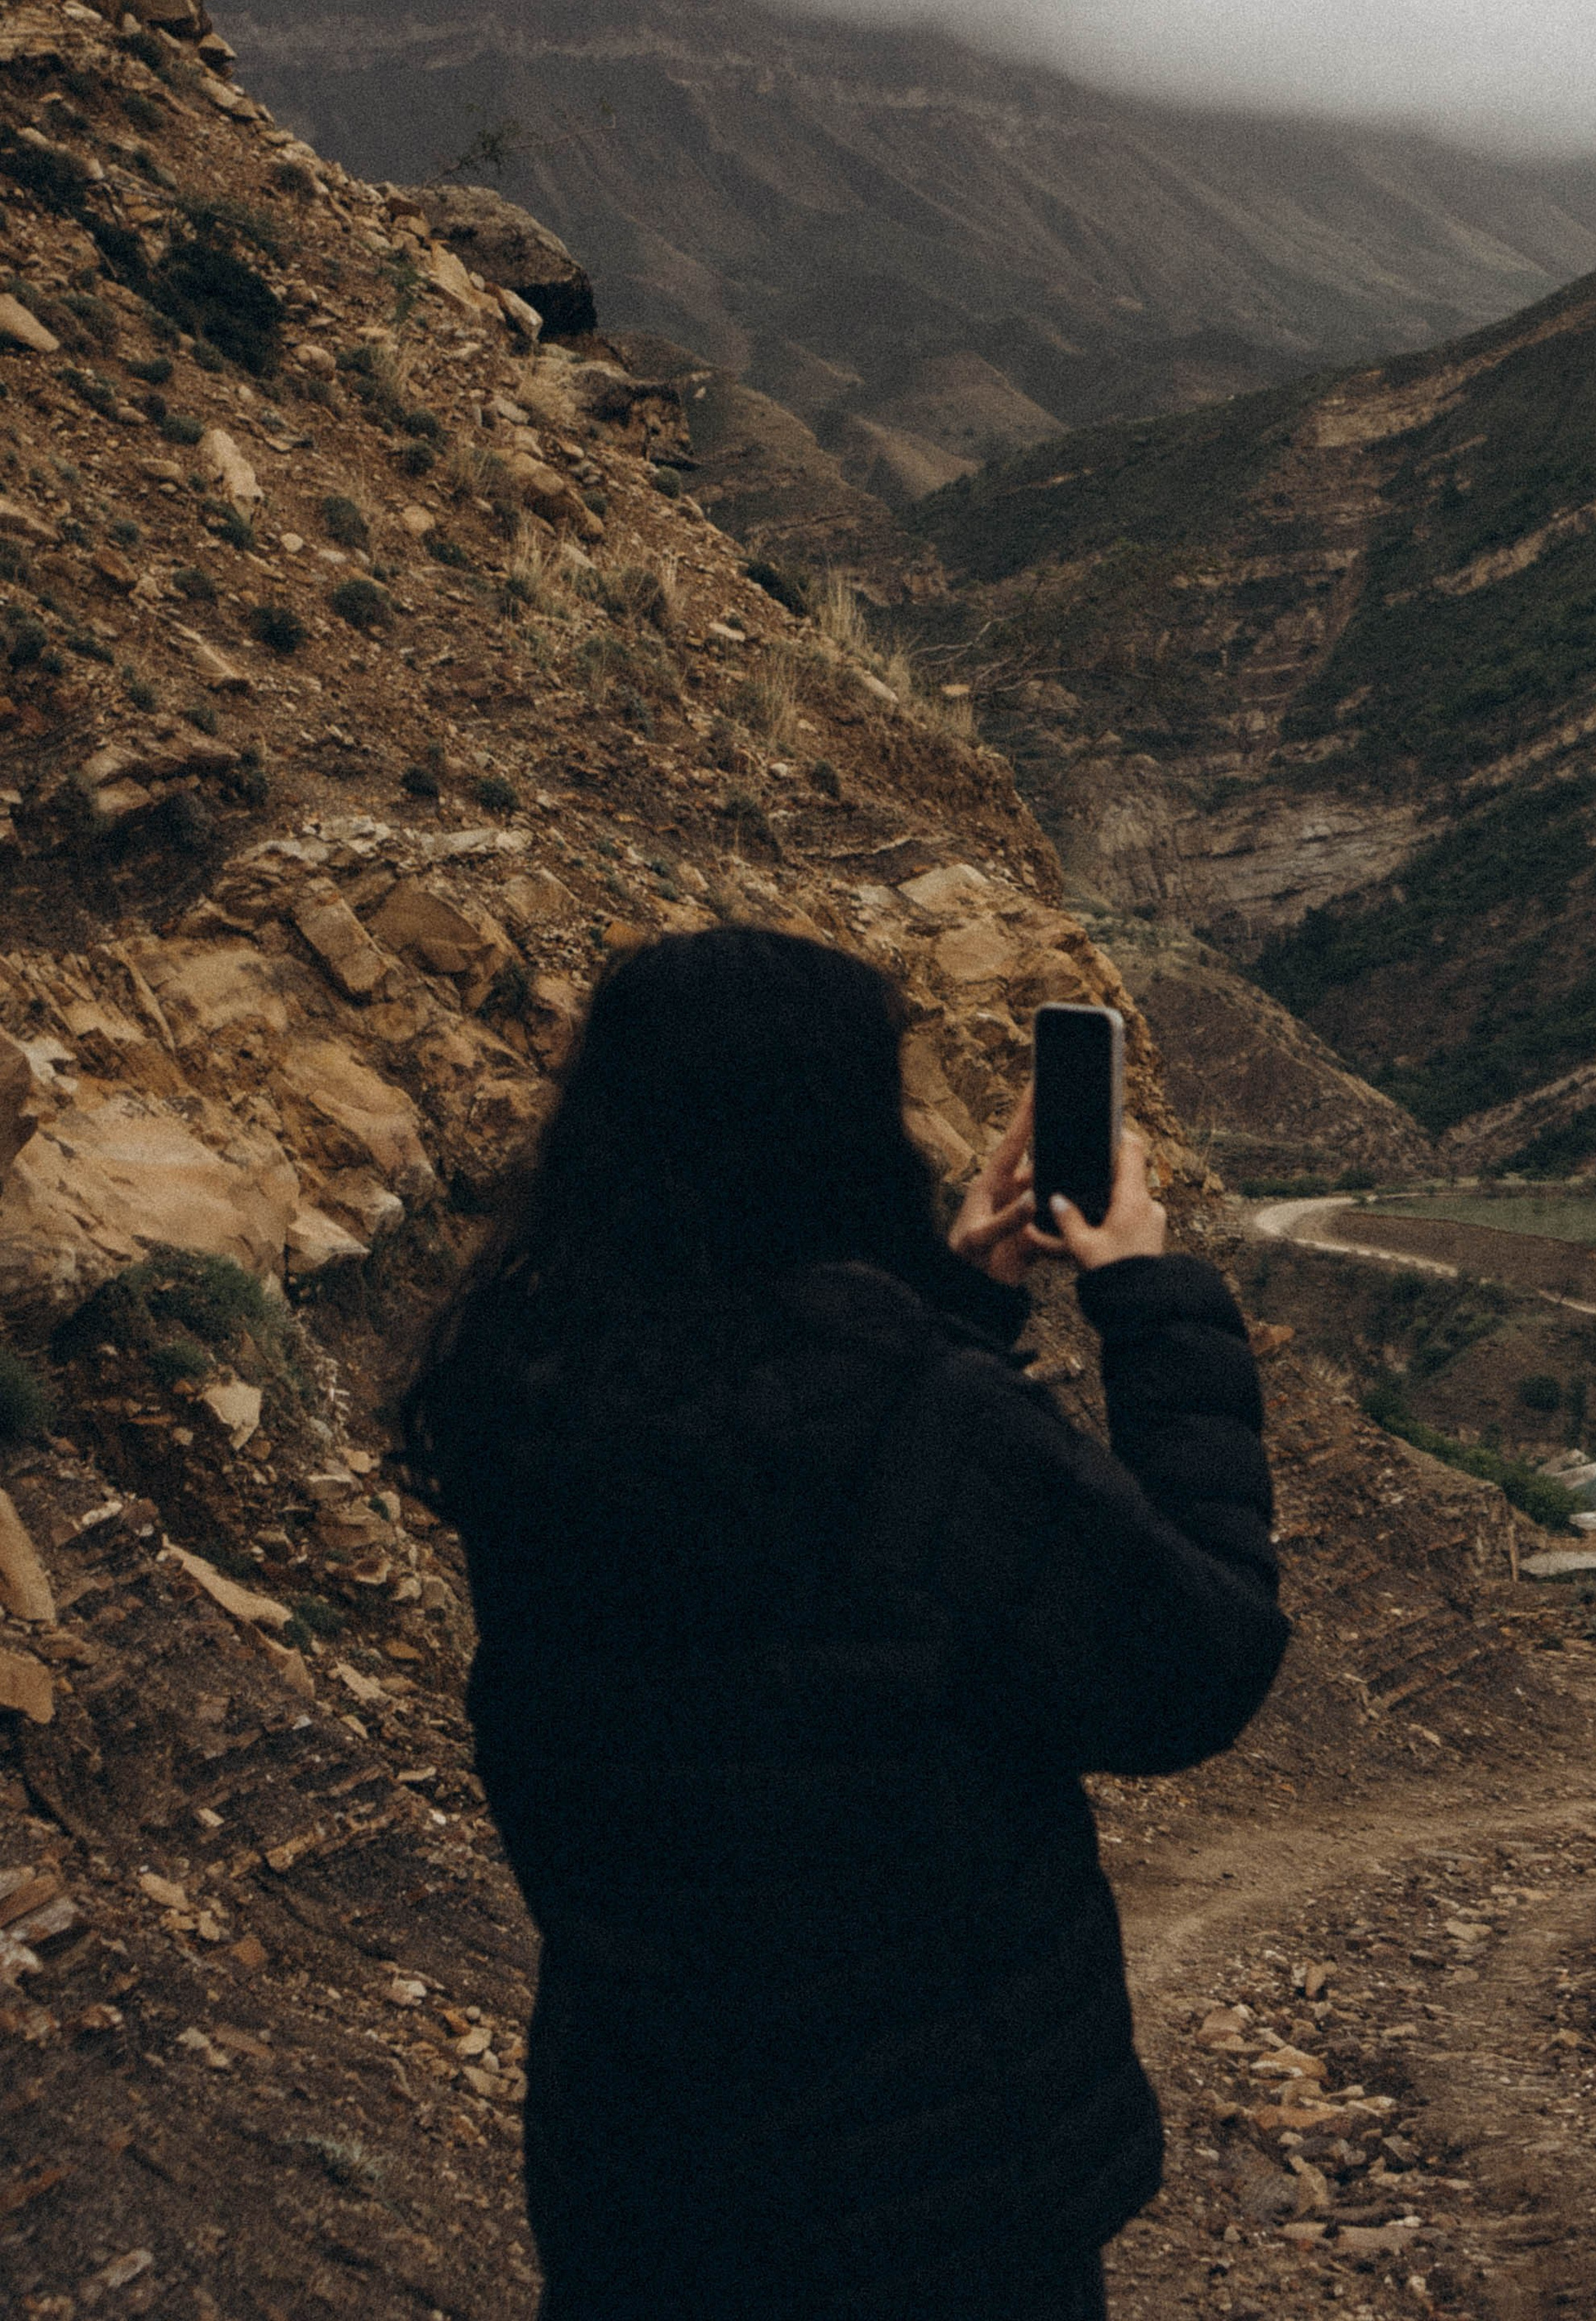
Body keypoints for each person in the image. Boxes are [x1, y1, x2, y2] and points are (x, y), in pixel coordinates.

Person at [399, 923, 1289, 2320]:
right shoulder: (924, 1422)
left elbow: (768, 1536)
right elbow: (1199, 1661)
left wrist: (947, 1312)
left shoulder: (522, 1399)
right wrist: (1146, 1300)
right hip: (937, 2204)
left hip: (643, 2175)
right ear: (838, 1136)